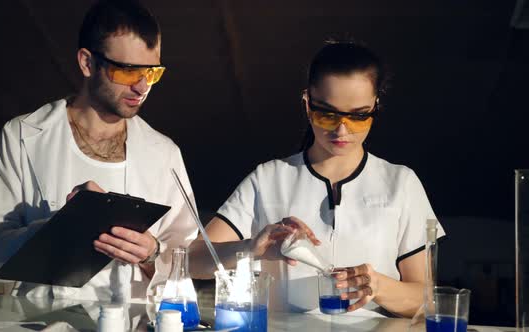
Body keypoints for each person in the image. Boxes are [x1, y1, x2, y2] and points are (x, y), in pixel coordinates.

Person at [188, 40, 445, 317]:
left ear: (375, 107)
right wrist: (251, 249)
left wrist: (379, 285)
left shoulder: (401, 184)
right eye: (327, 114)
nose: (342, 129)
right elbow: (193, 259)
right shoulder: (268, 179)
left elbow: (425, 299)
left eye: (359, 116)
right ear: (307, 103)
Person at [0, 0, 198, 303]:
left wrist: (151, 253)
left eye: (152, 73)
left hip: (129, 322)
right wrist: (54, 230)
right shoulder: (23, 135)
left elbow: (189, 260)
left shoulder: (164, 153)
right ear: (87, 63)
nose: (142, 87)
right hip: (40, 320)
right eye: (128, 72)